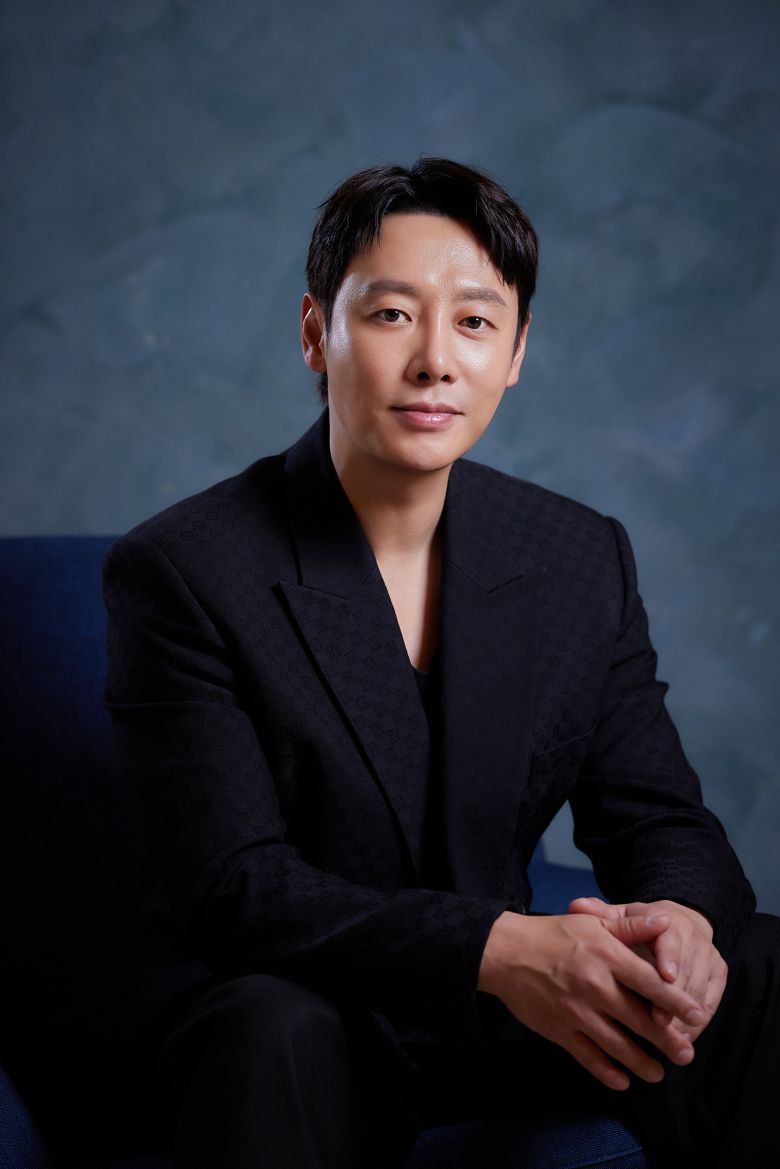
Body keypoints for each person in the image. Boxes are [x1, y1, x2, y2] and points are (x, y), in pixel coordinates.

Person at [103, 159, 779, 1168]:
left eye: (473, 321)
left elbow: (660, 819)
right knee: (271, 1026)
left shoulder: (576, 555)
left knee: (754, 959)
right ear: (315, 333)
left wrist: (681, 920)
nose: (435, 362)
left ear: (516, 352)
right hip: (311, 1010)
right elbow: (235, 887)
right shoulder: (187, 569)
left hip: (506, 1015)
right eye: (390, 316)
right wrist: (496, 948)